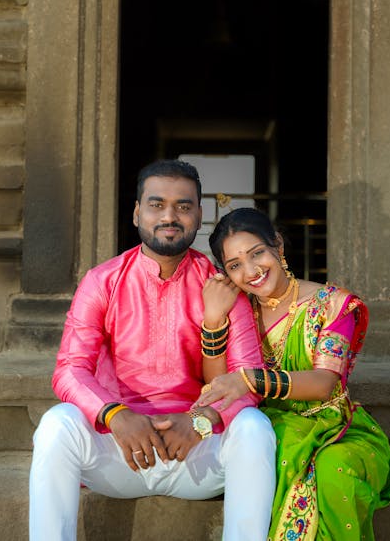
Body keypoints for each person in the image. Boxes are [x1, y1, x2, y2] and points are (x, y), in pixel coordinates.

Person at [29, 161, 277, 541]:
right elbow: (69, 370)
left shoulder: (223, 288)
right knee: (57, 424)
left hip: (196, 453)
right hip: (121, 451)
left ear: (199, 214)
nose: (170, 216)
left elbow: (248, 380)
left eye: (183, 206)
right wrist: (116, 415)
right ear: (136, 213)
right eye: (157, 204)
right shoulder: (102, 281)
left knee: (254, 429)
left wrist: (200, 421)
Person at [196, 207, 390, 541]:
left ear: (277, 245)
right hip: (266, 430)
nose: (251, 271)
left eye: (257, 253)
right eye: (235, 266)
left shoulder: (333, 304)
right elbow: (217, 385)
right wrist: (214, 319)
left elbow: (324, 383)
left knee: (335, 472)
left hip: (334, 429)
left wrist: (249, 380)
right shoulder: (239, 310)